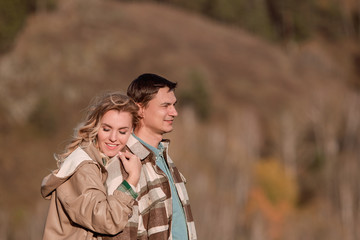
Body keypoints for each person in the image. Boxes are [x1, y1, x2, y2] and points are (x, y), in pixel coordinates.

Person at [105, 73, 197, 240]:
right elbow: (121, 232)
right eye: (165, 105)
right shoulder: (124, 162)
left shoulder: (163, 158)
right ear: (140, 109)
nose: (174, 112)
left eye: (174, 105)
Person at [41, 92, 142, 240]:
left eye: (122, 131)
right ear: (95, 126)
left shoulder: (100, 162)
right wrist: (132, 180)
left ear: (131, 130)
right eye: (106, 129)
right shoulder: (84, 168)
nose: (113, 138)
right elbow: (107, 220)